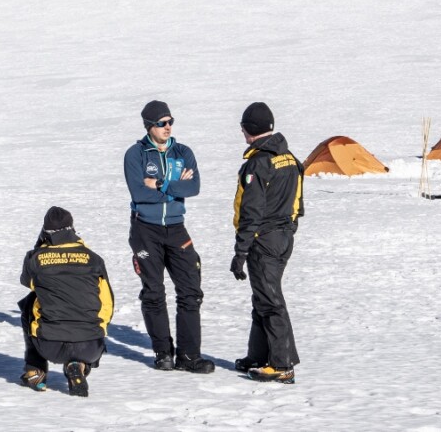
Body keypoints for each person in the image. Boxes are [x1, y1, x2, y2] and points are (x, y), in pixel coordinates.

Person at [123, 100, 214, 373]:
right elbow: (139, 193)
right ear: (149, 126)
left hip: (176, 227)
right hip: (145, 228)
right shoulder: (135, 154)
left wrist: (161, 184)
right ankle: (163, 352)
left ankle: (189, 356)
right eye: (162, 123)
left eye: (170, 121)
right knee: (154, 292)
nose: (168, 127)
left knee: (190, 291)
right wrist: (177, 188)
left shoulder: (183, 152)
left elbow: (195, 187)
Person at [230, 101, 304, 384]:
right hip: (282, 237)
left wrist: (241, 251)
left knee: (271, 301)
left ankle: (282, 364)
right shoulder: (289, 158)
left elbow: (251, 211)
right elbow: (298, 202)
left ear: (248, 130)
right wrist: (288, 229)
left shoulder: (259, 163)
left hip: (264, 240)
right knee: (262, 298)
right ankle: (257, 356)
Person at [19, 206, 114, 397]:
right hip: (90, 346)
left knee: (29, 303)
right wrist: (99, 329)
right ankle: (78, 364)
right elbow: (108, 302)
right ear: (72, 228)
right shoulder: (94, 259)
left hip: (49, 345)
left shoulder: (35, 258)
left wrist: (40, 248)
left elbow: (27, 282)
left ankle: (35, 372)